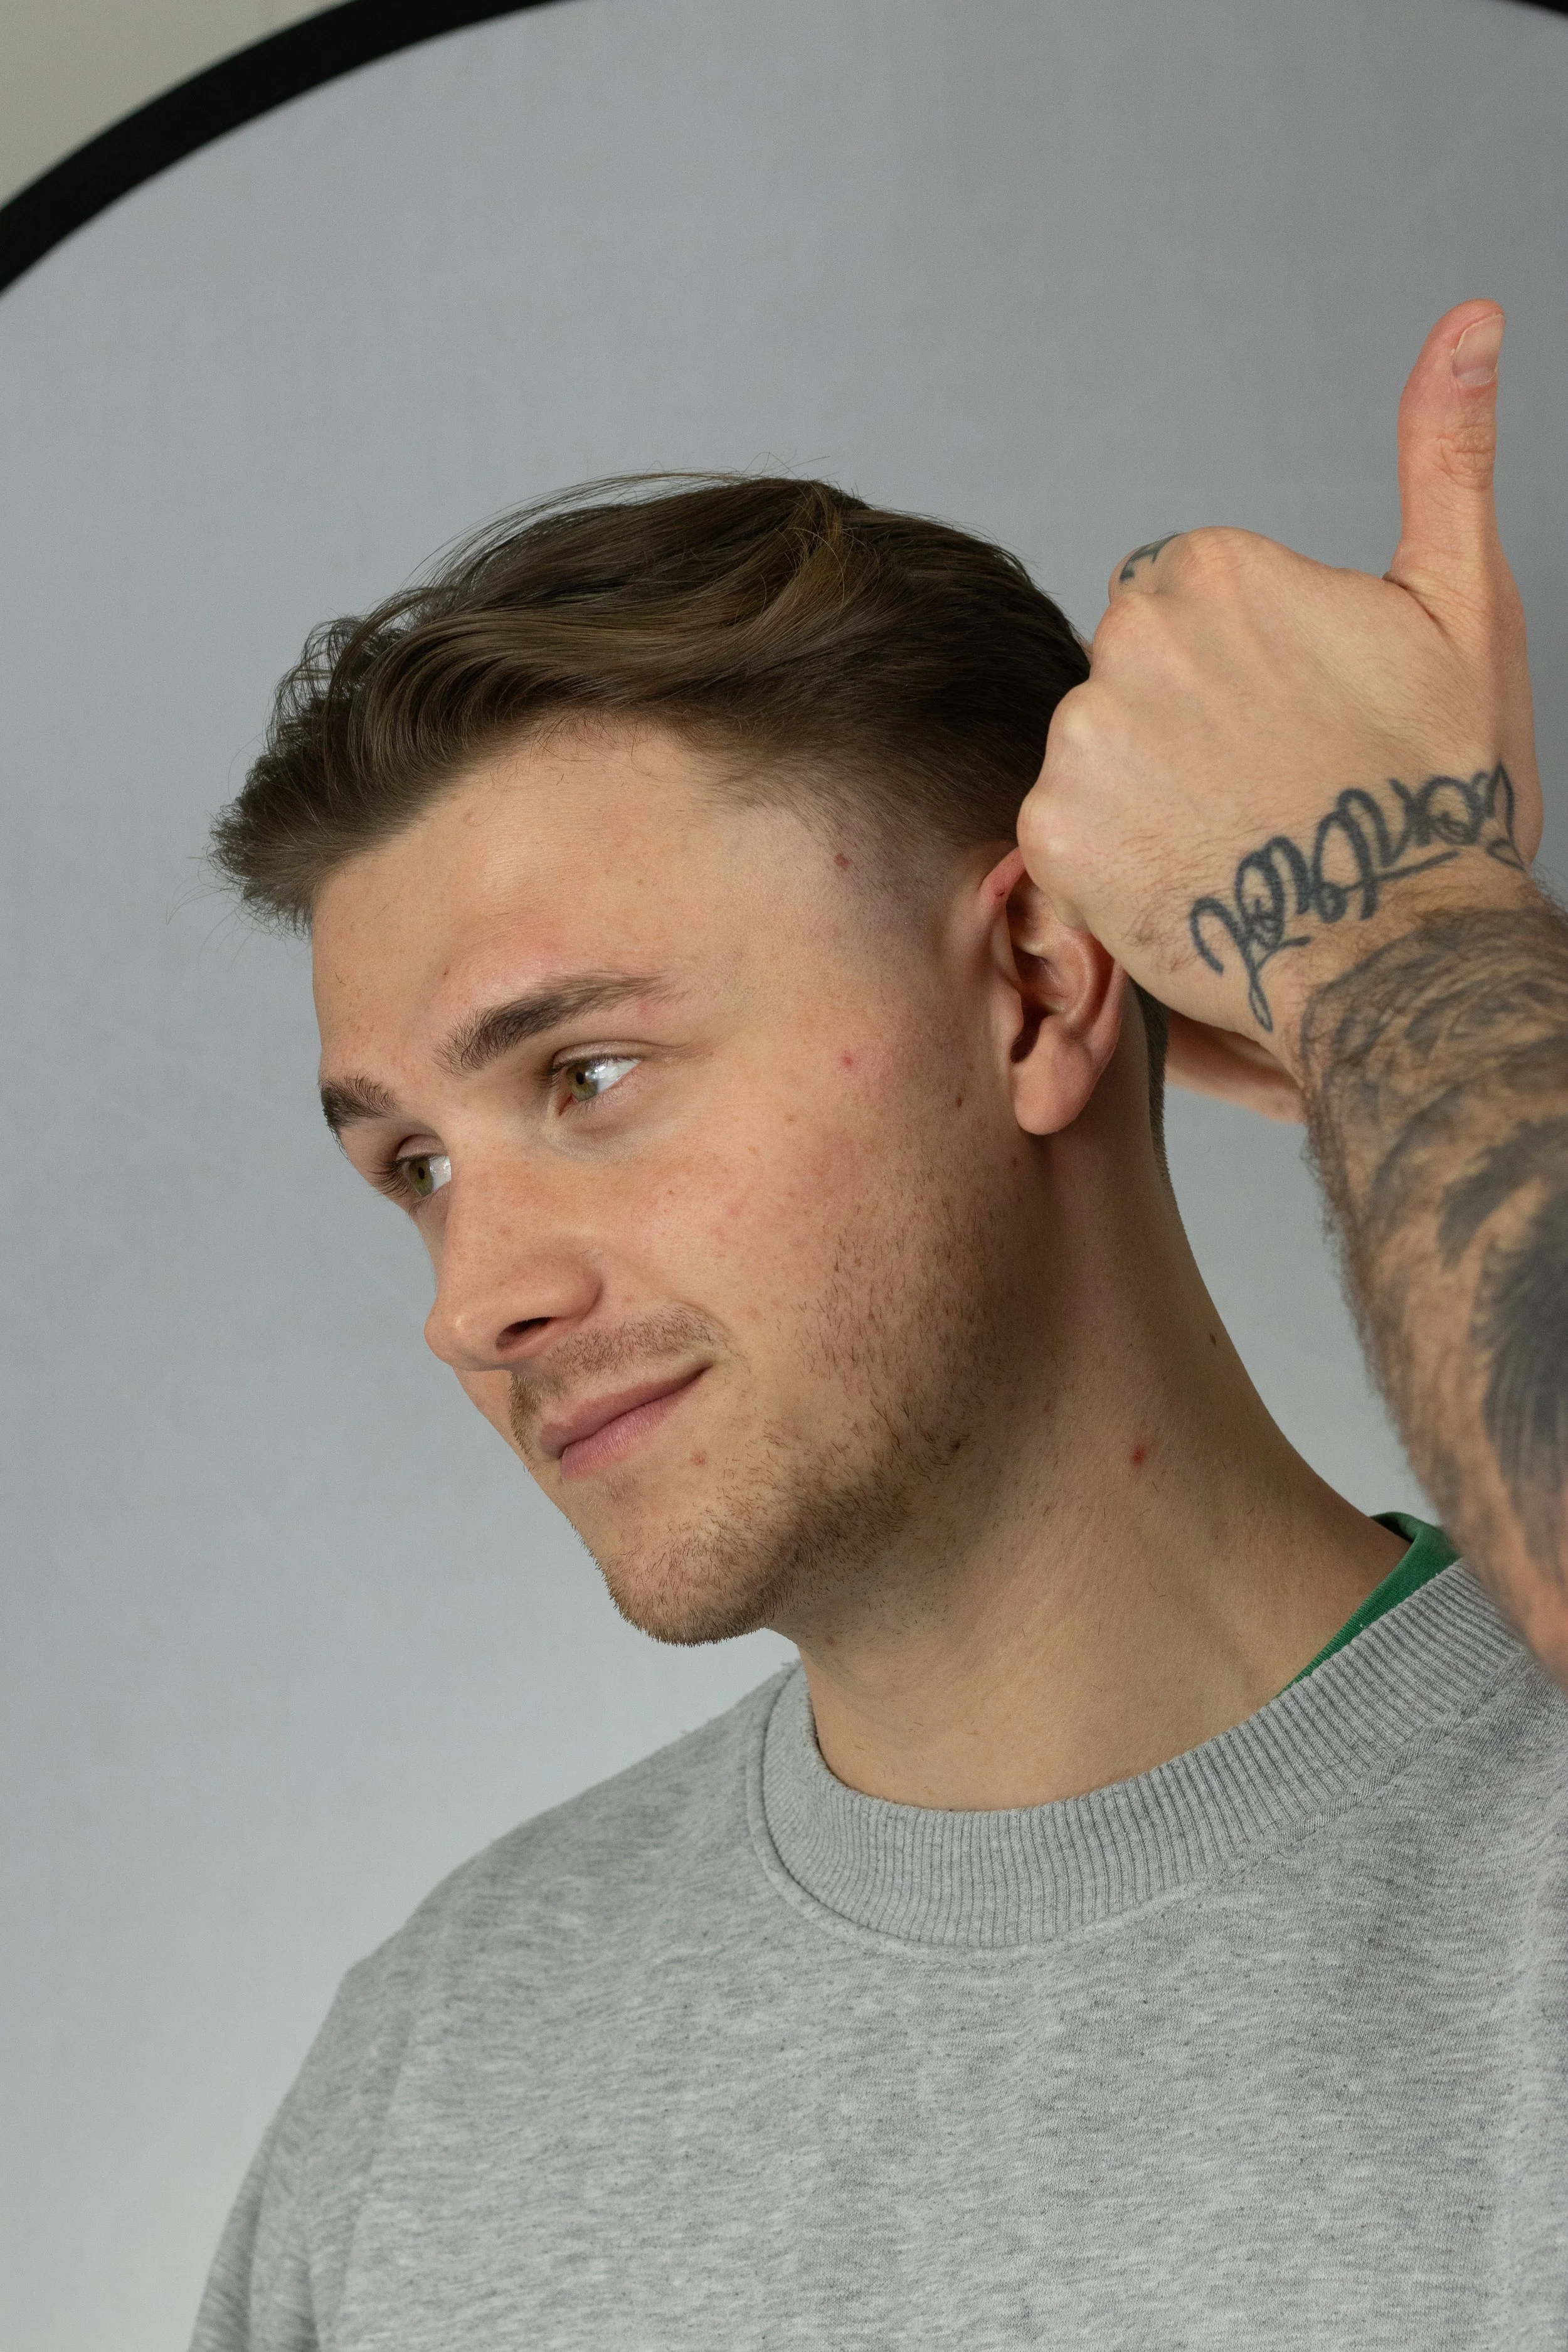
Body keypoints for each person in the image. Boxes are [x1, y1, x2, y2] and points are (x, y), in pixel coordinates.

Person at [191, 308, 1566, 2351]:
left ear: (1026, 983)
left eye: (583, 1076)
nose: (471, 1299)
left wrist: (1383, 930)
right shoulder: (434, 2078)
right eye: (414, 1165)